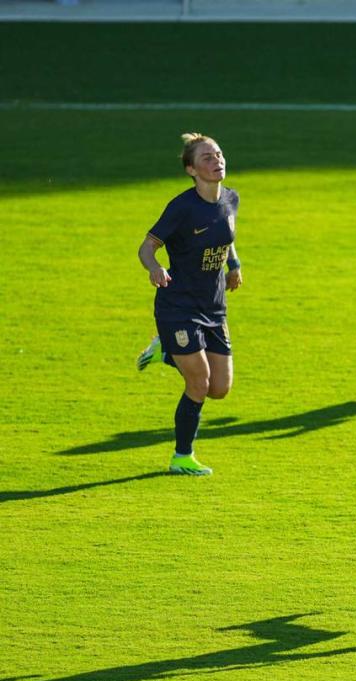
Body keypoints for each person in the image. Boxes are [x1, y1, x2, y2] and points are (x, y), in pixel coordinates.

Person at [135, 133, 243, 476]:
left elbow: (227, 236)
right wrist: (155, 268)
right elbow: (146, 248)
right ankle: (182, 456)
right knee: (198, 383)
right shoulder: (182, 207)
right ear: (191, 169)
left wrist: (234, 265)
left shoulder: (230, 199)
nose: (217, 161)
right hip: (178, 304)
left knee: (219, 389)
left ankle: (165, 351)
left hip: (214, 306)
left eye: (219, 155)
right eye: (207, 158)